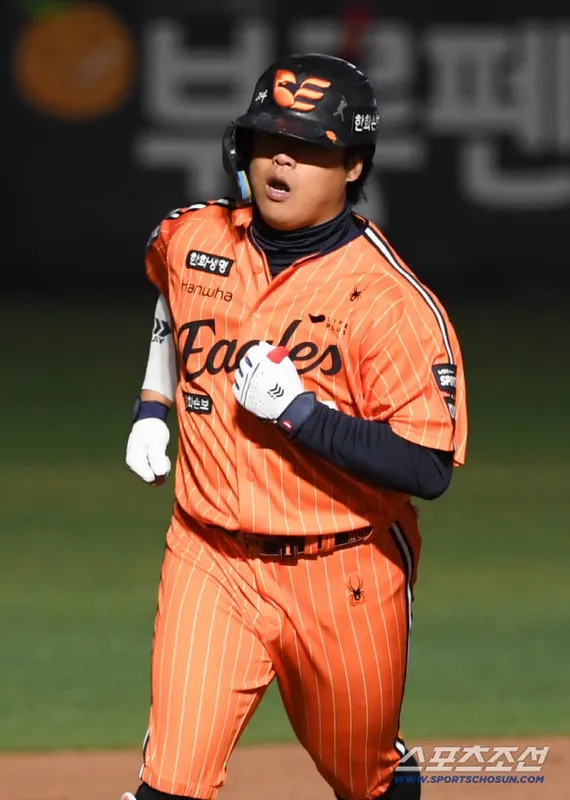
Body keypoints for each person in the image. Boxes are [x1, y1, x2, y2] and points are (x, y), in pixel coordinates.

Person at [123, 53, 468, 800]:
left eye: (310, 146)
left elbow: (427, 467)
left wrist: (303, 416)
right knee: (170, 785)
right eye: (270, 138)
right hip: (210, 556)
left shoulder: (391, 302)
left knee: (365, 778)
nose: (282, 158)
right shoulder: (193, 237)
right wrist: (153, 405)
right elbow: (171, 295)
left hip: (344, 574)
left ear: (353, 166)